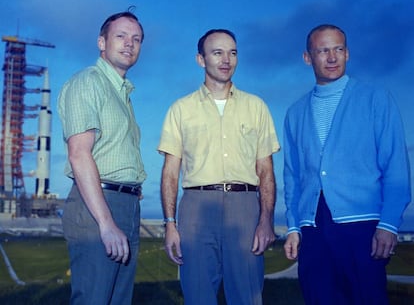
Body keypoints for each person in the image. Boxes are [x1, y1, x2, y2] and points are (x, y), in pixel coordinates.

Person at [283, 24, 411, 305]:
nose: (332, 57)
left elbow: (396, 167)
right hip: (312, 228)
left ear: (348, 53)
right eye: (323, 50)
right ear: (308, 58)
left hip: (363, 227)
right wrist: (293, 226)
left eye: (338, 49)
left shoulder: (376, 99)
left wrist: (389, 224)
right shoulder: (294, 113)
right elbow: (292, 177)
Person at [158, 29, 280, 305]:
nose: (227, 59)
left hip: (245, 208)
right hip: (197, 208)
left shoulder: (256, 106)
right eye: (217, 53)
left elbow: (266, 171)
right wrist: (170, 224)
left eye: (232, 52)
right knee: (198, 295)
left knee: (247, 295)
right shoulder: (181, 109)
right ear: (201, 60)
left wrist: (266, 220)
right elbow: (170, 173)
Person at [58, 8, 146, 305]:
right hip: (97, 206)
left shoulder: (122, 93)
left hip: (125, 204)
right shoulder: (88, 82)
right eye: (120, 36)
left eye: (136, 39)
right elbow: (79, 155)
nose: (129, 43)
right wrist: (106, 223)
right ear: (101, 42)